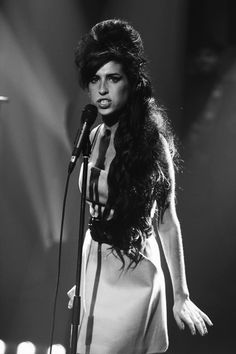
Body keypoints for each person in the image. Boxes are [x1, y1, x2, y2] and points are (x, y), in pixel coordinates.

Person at [67, 19, 213, 354]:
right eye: (95, 79)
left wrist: (182, 297)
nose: (102, 90)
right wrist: (84, 277)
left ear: (130, 83)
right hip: (94, 267)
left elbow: (167, 222)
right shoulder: (92, 134)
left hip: (132, 273)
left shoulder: (151, 143)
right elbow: (91, 214)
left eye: (113, 78)